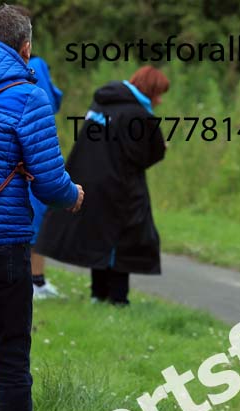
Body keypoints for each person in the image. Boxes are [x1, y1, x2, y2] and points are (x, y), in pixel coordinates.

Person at [0, 4, 83, 411]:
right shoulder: (26, 93)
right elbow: (50, 179)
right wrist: (73, 194)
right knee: (11, 356)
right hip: (1, 245)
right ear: (26, 47)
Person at [36, 66, 169, 306]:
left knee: (97, 236)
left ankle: (98, 294)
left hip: (88, 180)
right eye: (158, 94)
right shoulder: (137, 115)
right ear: (150, 90)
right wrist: (162, 147)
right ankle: (118, 299)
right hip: (120, 187)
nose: (159, 100)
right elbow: (144, 155)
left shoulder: (101, 104)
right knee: (121, 242)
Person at [13, 6, 65, 299]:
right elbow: (51, 103)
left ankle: (35, 280)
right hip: (29, 159)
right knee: (34, 218)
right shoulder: (37, 68)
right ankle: (34, 281)